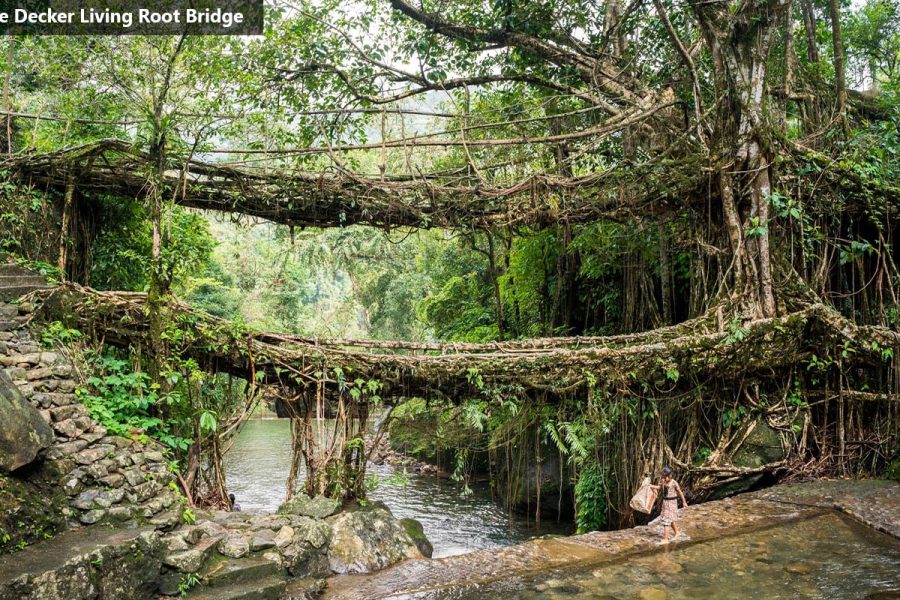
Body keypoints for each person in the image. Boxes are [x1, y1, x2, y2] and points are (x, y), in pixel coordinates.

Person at [649, 466, 687, 544]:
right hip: (665, 503)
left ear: (670, 475)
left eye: (667, 477)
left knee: (666, 521)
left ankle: (666, 539)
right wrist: (651, 486)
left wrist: (684, 502)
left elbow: (680, 492)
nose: (665, 479)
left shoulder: (674, 483)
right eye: (664, 477)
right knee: (670, 520)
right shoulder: (663, 481)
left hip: (672, 503)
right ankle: (677, 533)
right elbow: (659, 487)